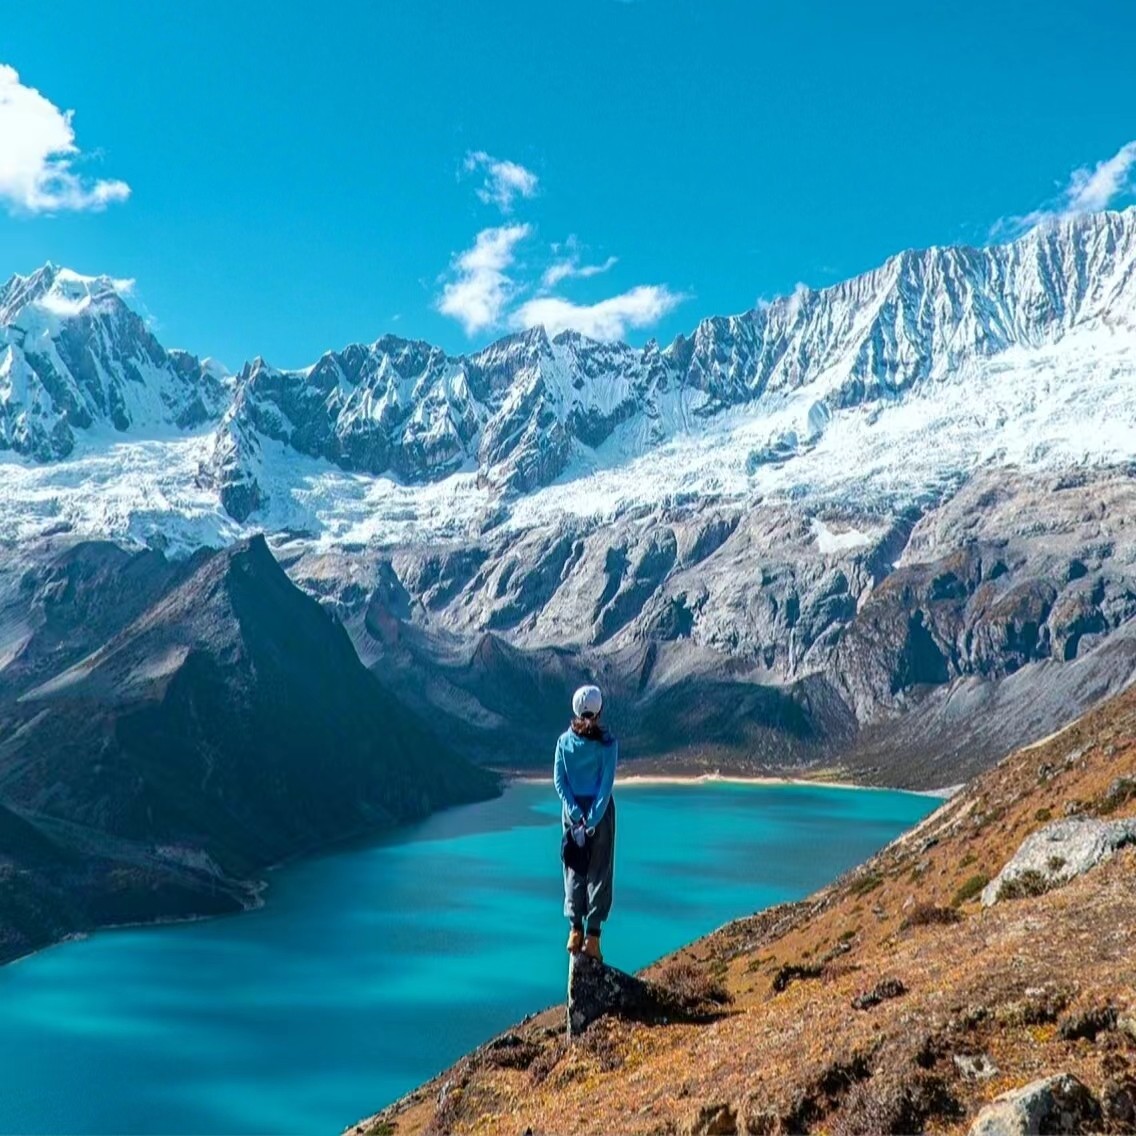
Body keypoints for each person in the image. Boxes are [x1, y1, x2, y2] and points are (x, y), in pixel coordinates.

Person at [553, 683, 617, 962]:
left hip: (572, 814)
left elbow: (560, 782)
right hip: (599, 815)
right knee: (599, 871)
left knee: (573, 867)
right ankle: (593, 937)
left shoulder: (563, 742)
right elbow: (606, 785)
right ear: (599, 711)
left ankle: (574, 930)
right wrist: (593, 818)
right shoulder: (608, 744)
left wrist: (576, 814)